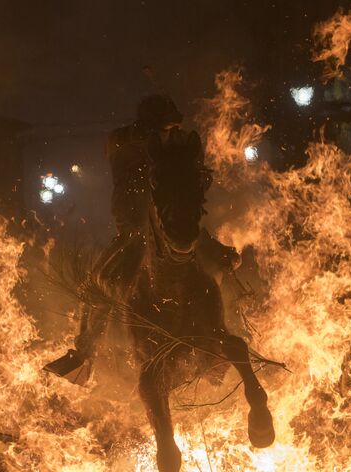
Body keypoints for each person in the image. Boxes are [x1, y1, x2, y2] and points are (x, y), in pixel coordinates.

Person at [44, 95, 240, 383]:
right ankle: (85, 354)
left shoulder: (175, 146)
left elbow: (192, 178)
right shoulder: (123, 141)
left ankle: (214, 344)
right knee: (99, 284)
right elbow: (127, 139)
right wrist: (157, 132)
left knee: (220, 263)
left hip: (175, 222)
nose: (170, 130)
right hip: (135, 230)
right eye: (164, 123)